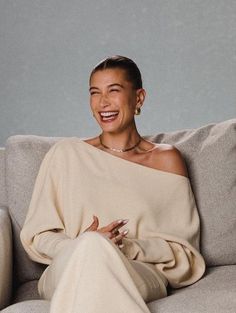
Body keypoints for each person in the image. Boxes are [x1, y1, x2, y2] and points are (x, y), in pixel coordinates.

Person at [20, 55, 206, 313]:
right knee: (91, 246)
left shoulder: (166, 160)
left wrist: (124, 246)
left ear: (139, 98)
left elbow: (183, 252)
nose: (102, 103)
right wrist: (82, 244)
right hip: (68, 264)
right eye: (94, 93)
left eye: (114, 91)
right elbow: (38, 236)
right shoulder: (66, 154)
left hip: (136, 269)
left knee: (97, 252)